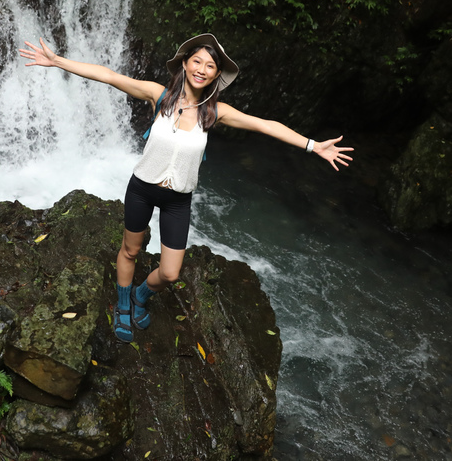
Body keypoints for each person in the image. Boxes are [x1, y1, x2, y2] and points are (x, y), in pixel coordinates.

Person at [19, 33, 353, 343]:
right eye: (197, 61)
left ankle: (139, 296)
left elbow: (264, 125)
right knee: (130, 250)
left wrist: (313, 146)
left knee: (170, 273)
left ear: (215, 75)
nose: (202, 69)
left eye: (210, 66)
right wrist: (58, 60)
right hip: (142, 188)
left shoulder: (215, 113)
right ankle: (123, 305)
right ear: (184, 63)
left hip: (178, 199)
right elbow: (108, 75)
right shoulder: (158, 95)